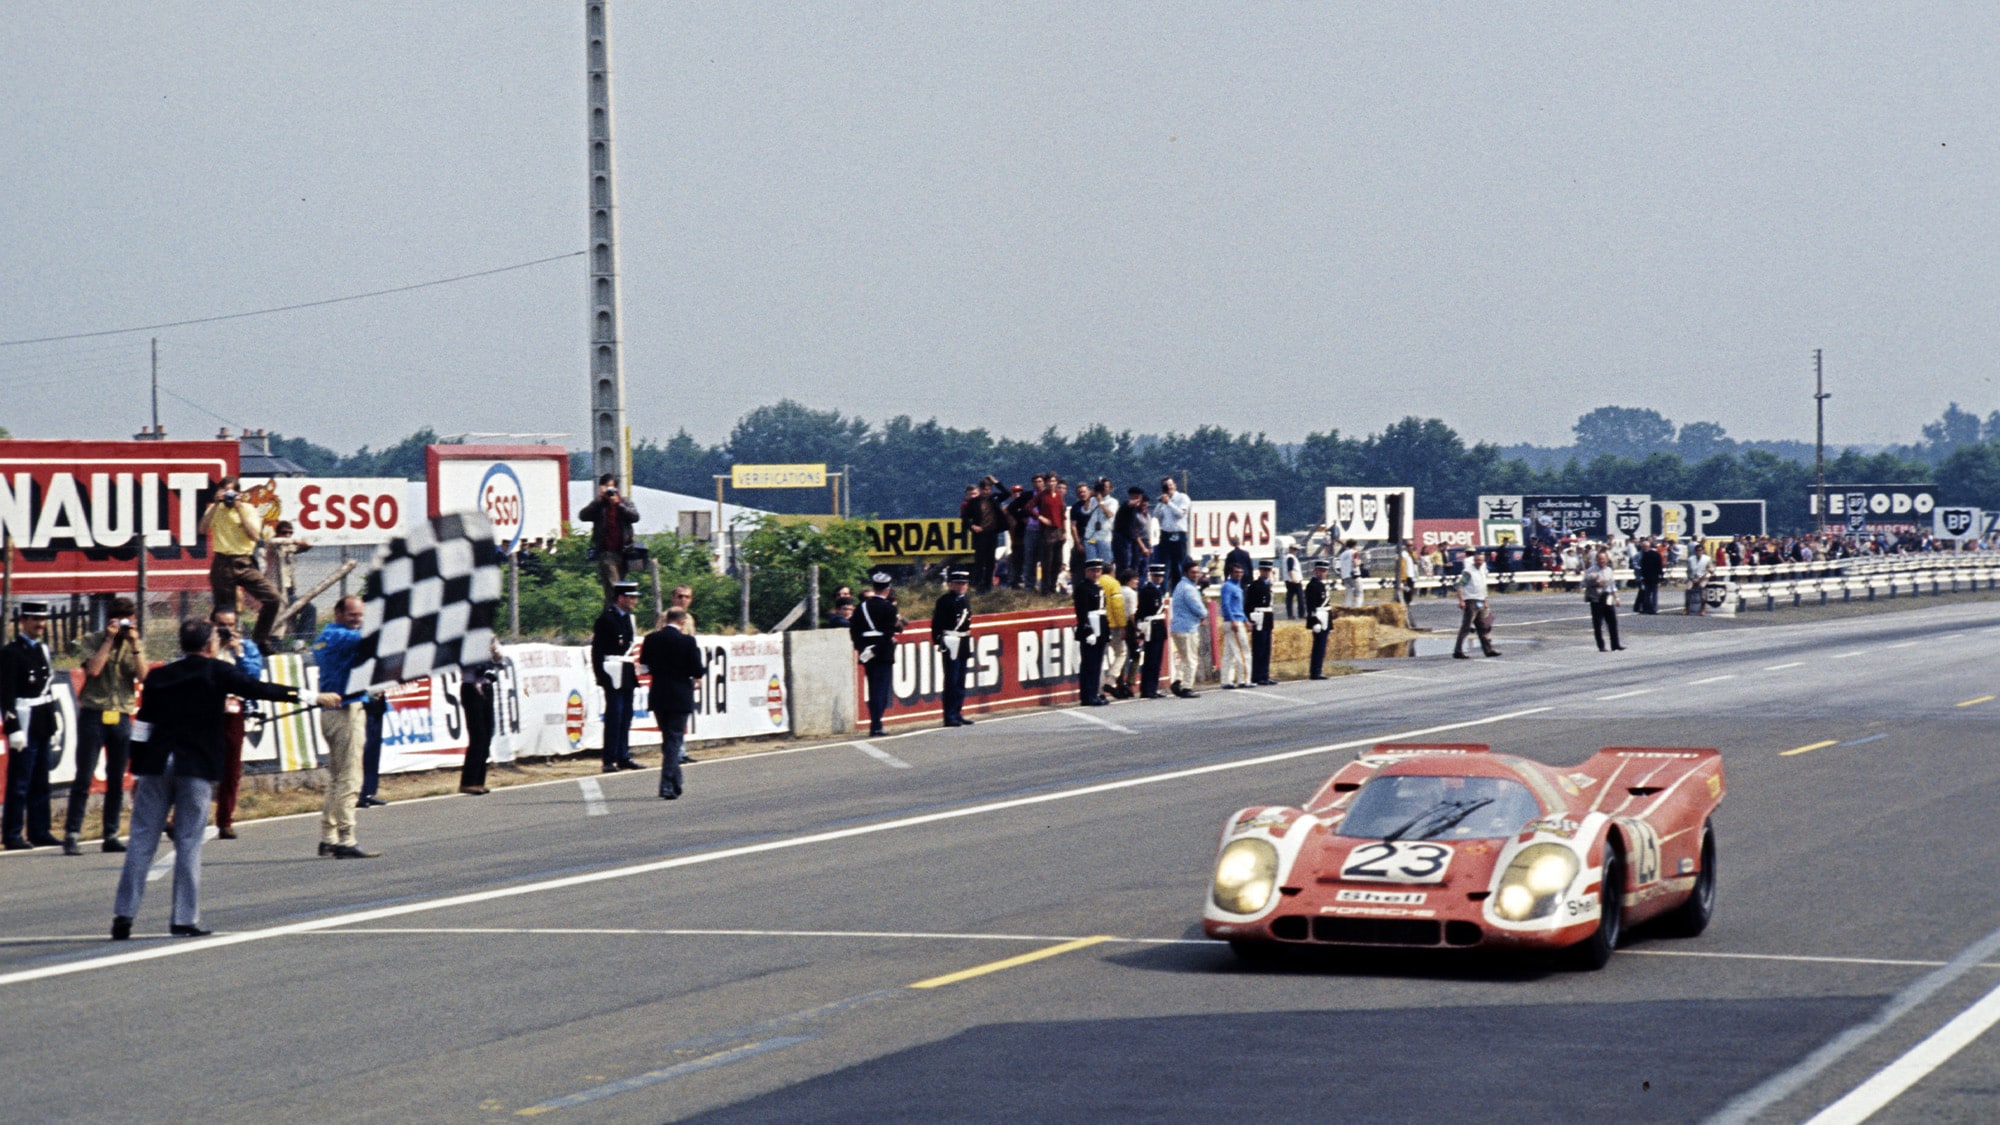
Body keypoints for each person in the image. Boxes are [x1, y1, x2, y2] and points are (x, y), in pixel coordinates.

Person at [112, 618, 332, 939]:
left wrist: (137, 768)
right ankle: (183, 919)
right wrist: (311, 696)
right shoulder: (217, 671)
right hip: (195, 766)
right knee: (189, 842)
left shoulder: (159, 676)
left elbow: (143, 725)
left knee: (142, 840)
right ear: (210, 645)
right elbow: (260, 689)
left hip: (157, 764)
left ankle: (123, 916)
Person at [63, 598, 143, 855]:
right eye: (119, 621)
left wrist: (135, 645)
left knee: (117, 778)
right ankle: (72, 833)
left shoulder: (133, 643)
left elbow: (144, 677)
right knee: (84, 777)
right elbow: (94, 670)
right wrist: (108, 640)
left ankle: (111, 833)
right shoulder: (92, 640)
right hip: (94, 714)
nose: (123, 626)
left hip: (121, 715)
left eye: (128, 621)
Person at [311, 595, 380, 858]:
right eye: (352, 615)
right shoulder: (341, 636)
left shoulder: (326, 635)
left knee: (336, 778)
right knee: (350, 778)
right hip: (344, 713)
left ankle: (328, 837)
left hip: (333, 712)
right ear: (338, 613)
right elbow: (373, 640)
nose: (357, 620)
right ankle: (346, 838)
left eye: (361, 615)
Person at [2, 601, 61, 850]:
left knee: (41, 779)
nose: (40, 624)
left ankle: (40, 830)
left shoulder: (43, 649)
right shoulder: (12, 652)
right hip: (24, 720)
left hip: (42, 720)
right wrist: (13, 727)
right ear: (23, 621)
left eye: (43, 620)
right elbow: (6, 694)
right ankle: (13, 833)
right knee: (20, 781)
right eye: (35, 619)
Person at [200, 476, 282, 652]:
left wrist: (238, 508)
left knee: (273, 598)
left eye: (231, 492)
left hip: (244, 561)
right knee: (225, 611)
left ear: (238, 493)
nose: (228, 496)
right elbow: (202, 529)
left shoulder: (247, 509)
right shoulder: (215, 509)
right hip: (222, 561)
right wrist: (216, 504)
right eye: (224, 492)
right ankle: (223, 646)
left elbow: (255, 535)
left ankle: (260, 640)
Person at [639, 607, 708, 799]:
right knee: (674, 739)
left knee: (669, 739)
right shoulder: (687, 641)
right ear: (683, 622)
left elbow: (644, 665)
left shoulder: (651, 639)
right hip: (680, 695)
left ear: (666, 620)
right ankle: (667, 784)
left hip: (659, 694)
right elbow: (697, 670)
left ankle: (676, 781)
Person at [208, 607, 262, 837]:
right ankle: (179, 817)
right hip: (205, 709)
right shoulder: (203, 645)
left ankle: (225, 819)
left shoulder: (246, 647)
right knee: (197, 765)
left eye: (230, 625)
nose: (226, 630)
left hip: (233, 709)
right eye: (221, 625)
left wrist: (238, 653)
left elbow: (253, 678)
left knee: (231, 768)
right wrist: (212, 649)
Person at [593, 580, 642, 771]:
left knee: (626, 715)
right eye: (630, 597)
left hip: (626, 671)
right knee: (615, 715)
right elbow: (597, 650)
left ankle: (623, 755)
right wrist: (601, 675)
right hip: (612, 672)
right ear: (620, 598)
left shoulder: (628, 619)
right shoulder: (607, 619)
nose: (634, 601)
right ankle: (609, 758)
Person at [851, 571, 904, 736]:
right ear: (887, 589)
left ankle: (875, 723)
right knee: (881, 689)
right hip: (883, 651)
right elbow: (888, 634)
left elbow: (854, 630)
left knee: (873, 687)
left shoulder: (861, 607)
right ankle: (876, 724)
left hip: (866, 649)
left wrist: (862, 648)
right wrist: (876, 649)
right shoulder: (889, 608)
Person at [578, 474, 642, 603]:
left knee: (617, 588)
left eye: (611, 487)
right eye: (605, 487)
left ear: (616, 488)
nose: (609, 491)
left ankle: (611, 612)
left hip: (624, 551)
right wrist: (599, 501)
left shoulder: (625, 502)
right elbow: (583, 516)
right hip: (606, 552)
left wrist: (619, 505)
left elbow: (635, 517)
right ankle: (618, 609)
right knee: (614, 586)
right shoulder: (599, 505)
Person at [930, 569, 975, 726]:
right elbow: (937, 623)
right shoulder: (944, 601)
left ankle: (957, 711)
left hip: (963, 641)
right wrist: (939, 640)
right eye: (958, 583)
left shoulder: (965, 600)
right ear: (951, 584)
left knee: (961, 679)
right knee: (952, 680)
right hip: (951, 641)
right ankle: (949, 715)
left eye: (964, 583)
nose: (962, 586)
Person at [458, 641, 502, 795]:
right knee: (478, 735)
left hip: (486, 685)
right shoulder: (468, 639)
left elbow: (500, 661)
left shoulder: (489, 638)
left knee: (488, 734)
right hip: (471, 686)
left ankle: (479, 781)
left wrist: (494, 651)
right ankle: (468, 782)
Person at [261, 519, 313, 639]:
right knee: (278, 620)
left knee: (307, 609)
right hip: (276, 590)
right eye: (285, 532)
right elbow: (272, 542)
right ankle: (279, 640)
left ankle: (300, 641)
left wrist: (296, 542)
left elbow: (309, 545)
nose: (288, 535)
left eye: (290, 533)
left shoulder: (289, 548)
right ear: (278, 533)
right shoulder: (272, 546)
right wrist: (293, 540)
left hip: (289, 590)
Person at [1073, 558, 1110, 705]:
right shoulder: (1083, 588)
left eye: (1098, 571)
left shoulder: (1099, 587)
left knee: (1097, 663)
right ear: (1087, 572)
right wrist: (1087, 630)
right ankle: (1087, 696)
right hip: (1090, 628)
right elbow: (1082, 612)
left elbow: (1103, 610)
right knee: (1089, 663)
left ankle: (1094, 693)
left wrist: (1106, 631)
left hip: (1100, 627)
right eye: (1093, 571)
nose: (1096, 574)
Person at [1168, 560, 1206, 698]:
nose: (1196, 575)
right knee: (1191, 659)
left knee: (1184, 658)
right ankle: (1187, 687)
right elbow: (1197, 607)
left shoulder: (1180, 585)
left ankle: (1178, 681)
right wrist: (1204, 614)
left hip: (1177, 627)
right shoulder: (1189, 589)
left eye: (1197, 572)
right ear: (1185, 573)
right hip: (1188, 628)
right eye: (1193, 572)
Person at [1454, 551, 1502, 659]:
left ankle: (1488, 650)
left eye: (1481, 560)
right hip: (1471, 600)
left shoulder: (1482, 571)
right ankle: (1458, 651)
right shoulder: (1468, 571)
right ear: (1474, 560)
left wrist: (1485, 601)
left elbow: (1482, 587)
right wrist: (1461, 600)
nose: (1479, 562)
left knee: (1483, 627)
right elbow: (1460, 585)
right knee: (1466, 627)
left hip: (1480, 600)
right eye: (1477, 560)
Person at [1137, 562, 1170, 699]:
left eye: (1160, 576)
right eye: (1156, 576)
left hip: (1158, 626)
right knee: (1151, 659)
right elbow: (1142, 610)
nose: (1159, 578)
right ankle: (1148, 688)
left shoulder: (1159, 589)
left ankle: (1152, 687)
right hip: (1151, 625)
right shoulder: (1147, 590)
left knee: (1156, 660)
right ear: (1151, 576)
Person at [963, 479, 1003, 591]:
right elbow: (964, 518)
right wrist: (972, 526)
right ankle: (978, 585)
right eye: (984, 489)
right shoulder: (973, 502)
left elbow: (1006, 493)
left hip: (992, 533)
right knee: (980, 561)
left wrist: (995, 482)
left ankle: (988, 585)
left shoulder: (993, 499)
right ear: (980, 489)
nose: (986, 492)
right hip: (980, 534)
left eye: (989, 489)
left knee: (991, 562)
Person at [1154, 477, 1192, 593]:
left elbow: (1180, 514)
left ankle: (1178, 590)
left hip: (1178, 534)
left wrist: (1169, 503)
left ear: (1175, 485)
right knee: (1163, 565)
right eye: (1166, 486)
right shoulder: (1163, 500)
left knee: (1178, 565)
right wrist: (1161, 503)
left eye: (1170, 485)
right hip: (1165, 534)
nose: (1169, 488)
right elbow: (1156, 515)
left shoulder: (1182, 498)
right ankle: (1163, 591)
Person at [1583, 549, 1624, 653]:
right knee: (1598, 623)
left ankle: (1615, 644)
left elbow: (1612, 585)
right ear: (1597, 559)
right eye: (1600, 559)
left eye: (1604, 559)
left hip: (1607, 596)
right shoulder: (1591, 570)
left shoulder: (1609, 570)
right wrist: (1595, 583)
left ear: (1607, 559)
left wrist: (1617, 598)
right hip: (1596, 598)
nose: (1602, 561)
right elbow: (1583, 584)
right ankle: (1601, 646)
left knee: (1612, 622)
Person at [1218, 562, 1250, 689]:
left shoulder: (1238, 587)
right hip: (1233, 622)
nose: (1239, 574)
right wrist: (1232, 620)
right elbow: (1225, 605)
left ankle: (1226, 680)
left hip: (1238, 619)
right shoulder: (1228, 586)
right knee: (1243, 651)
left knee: (1229, 653)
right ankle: (1244, 679)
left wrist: (1246, 620)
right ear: (1230, 573)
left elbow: (1239, 608)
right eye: (1236, 572)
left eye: (1241, 572)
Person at [1247, 559, 1277, 686]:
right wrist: (1249, 620)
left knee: (1266, 648)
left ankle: (1265, 674)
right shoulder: (1255, 585)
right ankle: (1257, 675)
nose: (1266, 572)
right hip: (1258, 617)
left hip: (1267, 618)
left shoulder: (1269, 584)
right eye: (1264, 570)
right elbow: (1249, 604)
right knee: (1258, 648)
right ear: (1260, 570)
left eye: (1268, 570)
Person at [1305, 559, 1333, 680]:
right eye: (1319, 571)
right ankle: (1315, 671)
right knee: (1318, 645)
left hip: (1325, 616)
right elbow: (1310, 605)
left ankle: (1318, 669)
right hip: (1318, 616)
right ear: (1315, 571)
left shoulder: (1322, 584)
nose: (1322, 573)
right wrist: (1314, 621)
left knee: (1322, 645)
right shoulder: (1312, 585)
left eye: (1324, 571)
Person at [1686, 544, 1714, 616]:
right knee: (1688, 589)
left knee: (1702, 587)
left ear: (1703, 551)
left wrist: (1705, 575)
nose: (1699, 552)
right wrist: (1691, 579)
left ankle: (1702, 609)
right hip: (1693, 577)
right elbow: (1688, 571)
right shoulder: (1691, 559)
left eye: (1700, 550)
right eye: (1697, 550)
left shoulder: (1707, 559)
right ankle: (1687, 608)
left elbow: (1711, 570)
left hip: (1703, 577)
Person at [1638, 539, 1664, 615]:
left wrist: (1660, 575)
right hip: (1651, 577)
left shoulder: (1647, 555)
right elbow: (1659, 566)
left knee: (1649, 593)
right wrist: (1661, 576)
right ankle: (1651, 608)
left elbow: (1644, 567)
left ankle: (1650, 608)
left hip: (1650, 577)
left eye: (1644, 547)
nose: (1644, 548)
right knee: (1651, 594)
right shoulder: (1655, 554)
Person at [1337, 539, 1365, 607]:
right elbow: (1355, 563)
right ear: (1354, 545)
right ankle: (1357, 608)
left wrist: (1342, 578)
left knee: (1349, 593)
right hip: (1354, 575)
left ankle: (1347, 607)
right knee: (1359, 592)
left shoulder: (1342, 554)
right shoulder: (1354, 552)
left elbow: (1340, 567)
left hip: (1345, 576)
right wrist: (1360, 563)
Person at [1282, 545, 1304, 619]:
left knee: (1290, 598)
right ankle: (1301, 613)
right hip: (1294, 580)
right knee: (1300, 597)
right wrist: (1292, 578)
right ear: (1290, 549)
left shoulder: (1287, 557)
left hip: (1289, 580)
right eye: (1294, 549)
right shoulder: (1290, 557)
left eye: (1296, 549)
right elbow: (1290, 569)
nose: (1296, 551)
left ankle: (1290, 614)